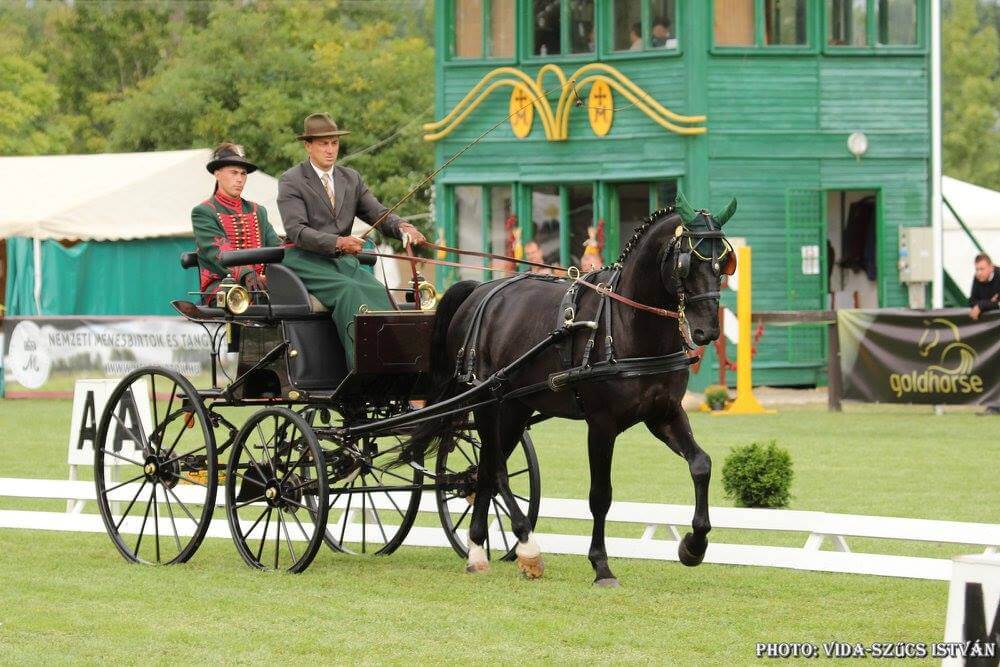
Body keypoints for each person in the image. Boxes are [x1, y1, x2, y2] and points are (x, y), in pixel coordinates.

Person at [277, 113, 426, 368]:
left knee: (379, 292)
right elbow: (297, 230)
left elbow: (378, 213)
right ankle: (362, 369)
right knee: (350, 290)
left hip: (341, 261)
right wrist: (338, 242)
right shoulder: (292, 180)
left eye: (334, 143)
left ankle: (398, 364)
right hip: (304, 259)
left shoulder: (350, 178)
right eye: (323, 144)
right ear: (308, 146)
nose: (330, 149)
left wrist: (402, 226)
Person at [191, 143, 281, 302]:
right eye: (234, 173)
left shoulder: (258, 211)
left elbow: (277, 247)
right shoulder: (204, 212)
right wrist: (247, 275)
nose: (239, 179)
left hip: (260, 284)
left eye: (243, 174)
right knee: (238, 297)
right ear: (217, 174)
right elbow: (219, 252)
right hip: (221, 285)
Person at [968, 253, 999, 321]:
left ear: (991, 268)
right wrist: (988, 303)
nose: (979, 273)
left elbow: (998, 303)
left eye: (982, 269)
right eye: (977, 269)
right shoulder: (977, 277)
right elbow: (971, 301)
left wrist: (981, 305)